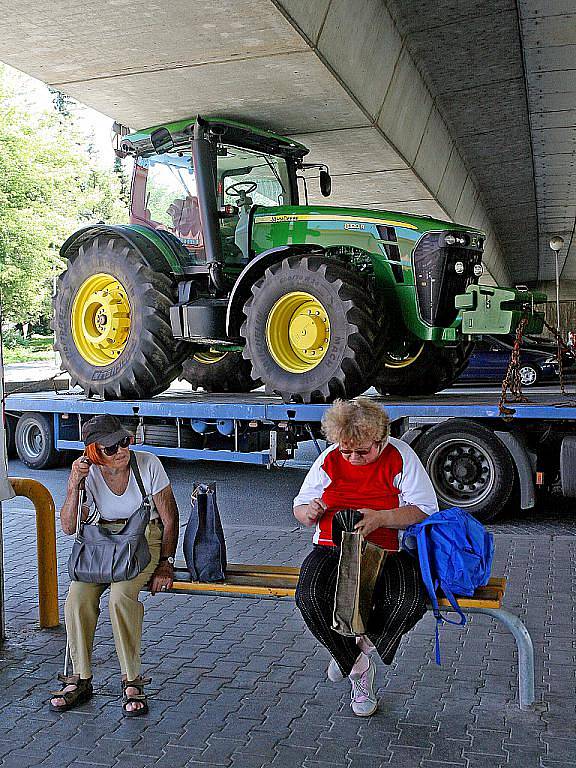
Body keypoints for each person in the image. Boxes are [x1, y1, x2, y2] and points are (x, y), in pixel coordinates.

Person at [293, 398, 438, 717]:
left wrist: (382, 518)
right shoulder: (330, 458)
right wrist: (309, 512)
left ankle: (351, 651)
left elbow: (425, 509)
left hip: (388, 550)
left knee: (409, 601)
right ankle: (358, 669)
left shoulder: (400, 455)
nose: (353, 458)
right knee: (309, 595)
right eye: (346, 451)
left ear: (381, 439)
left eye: (362, 451)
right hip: (332, 546)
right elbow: (300, 507)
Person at [49, 414, 179, 716]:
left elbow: (170, 519)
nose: (121, 450)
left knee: (121, 598)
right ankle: (80, 677)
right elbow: (69, 527)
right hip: (102, 542)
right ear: (93, 452)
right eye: (110, 448)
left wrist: (166, 564)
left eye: (123, 442)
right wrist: (73, 484)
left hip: (144, 540)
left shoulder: (147, 465)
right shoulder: (88, 474)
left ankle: (132, 680)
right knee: (77, 597)